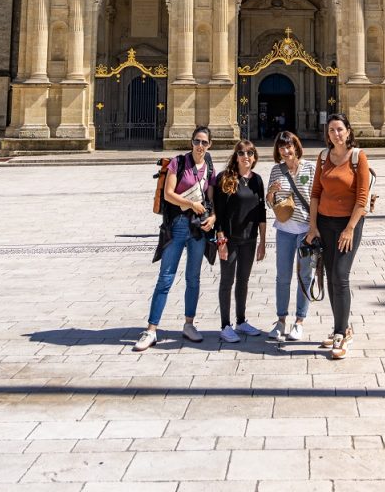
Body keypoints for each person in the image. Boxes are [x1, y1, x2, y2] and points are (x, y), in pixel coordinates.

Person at [134, 126, 217, 352]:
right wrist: (191, 204)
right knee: (165, 278)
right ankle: (151, 329)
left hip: (198, 228)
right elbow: (168, 194)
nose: (200, 146)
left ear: (210, 145)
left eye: (204, 142)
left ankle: (189, 324)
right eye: (197, 141)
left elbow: (211, 199)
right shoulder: (178, 163)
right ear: (191, 142)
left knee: (193, 278)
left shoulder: (209, 166)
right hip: (178, 225)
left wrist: (213, 217)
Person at [306, 113, 369, 361]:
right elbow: (315, 193)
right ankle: (340, 328)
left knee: (340, 275)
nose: (336, 134)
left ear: (348, 131)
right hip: (324, 223)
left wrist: (350, 228)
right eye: (332, 130)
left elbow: (362, 197)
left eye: (340, 129)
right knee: (330, 275)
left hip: (348, 225)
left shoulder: (358, 157)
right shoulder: (323, 157)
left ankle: (341, 334)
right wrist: (313, 227)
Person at [213, 140, 266, 342]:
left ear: (254, 157)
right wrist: (221, 241)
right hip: (230, 239)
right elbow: (218, 212)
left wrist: (262, 242)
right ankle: (225, 325)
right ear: (236, 157)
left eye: (250, 153)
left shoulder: (257, 180)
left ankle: (241, 321)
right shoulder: (225, 178)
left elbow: (261, 212)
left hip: (249, 239)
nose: (246, 156)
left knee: (243, 281)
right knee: (227, 281)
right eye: (242, 153)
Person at [265, 131, 316, 343]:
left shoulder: (310, 168)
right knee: (282, 276)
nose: (286, 151)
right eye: (282, 148)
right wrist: (271, 192)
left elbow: (316, 198)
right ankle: (281, 320)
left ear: (296, 147)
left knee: (305, 275)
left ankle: (299, 321)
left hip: (305, 231)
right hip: (284, 230)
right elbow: (270, 202)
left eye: (289, 146)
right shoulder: (276, 170)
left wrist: (314, 229)